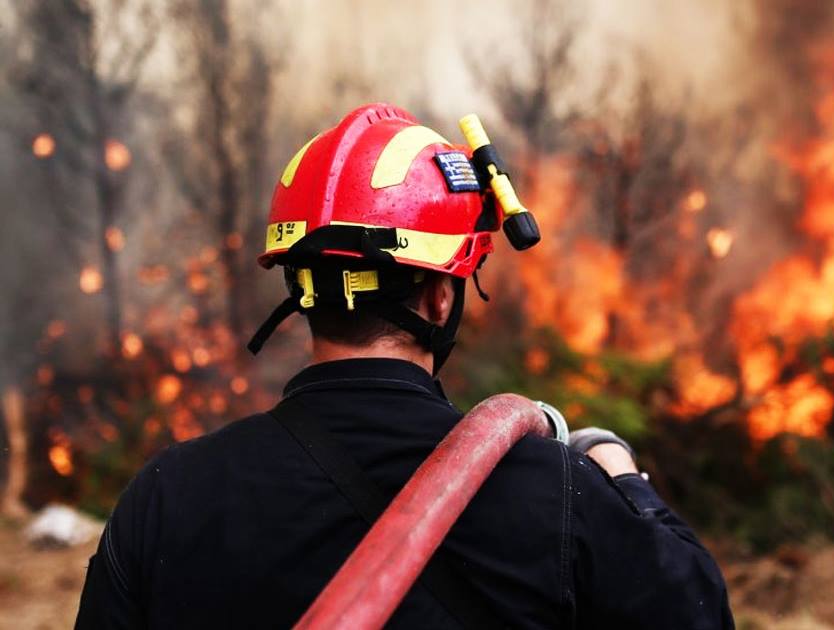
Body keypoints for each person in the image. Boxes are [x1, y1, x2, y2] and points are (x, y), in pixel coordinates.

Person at [75, 104, 733, 629]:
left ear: (299, 288)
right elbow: (697, 612)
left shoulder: (166, 496)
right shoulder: (558, 495)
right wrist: (623, 477)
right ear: (441, 295)